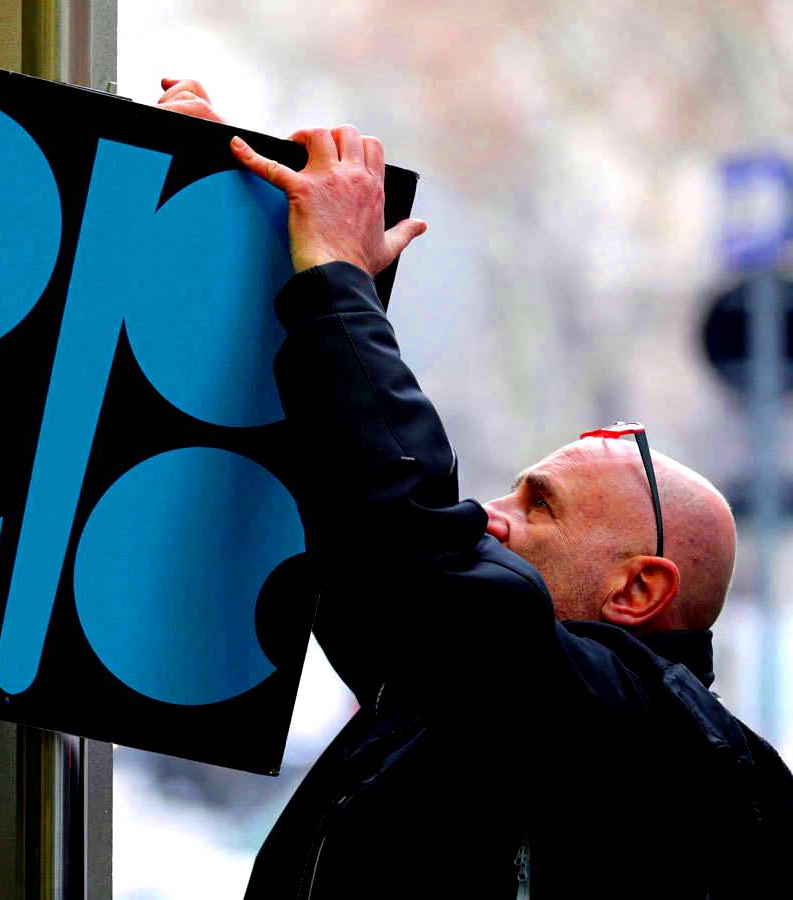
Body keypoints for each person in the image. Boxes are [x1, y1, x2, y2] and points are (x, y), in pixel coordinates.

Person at [157, 79, 792, 898]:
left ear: (638, 588)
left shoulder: (648, 732)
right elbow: (357, 526)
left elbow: (416, 546)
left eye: (540, 507)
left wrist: (338, 278)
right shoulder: (469, 684)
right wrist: (249, 230)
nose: (490, 519)